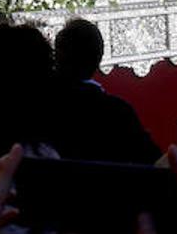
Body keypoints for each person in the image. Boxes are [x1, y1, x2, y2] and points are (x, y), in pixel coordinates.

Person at [49, 18, 160, 165]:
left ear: (56, 57)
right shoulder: (117, 112)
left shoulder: (36, 105)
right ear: (98, 58)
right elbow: (154, 163)